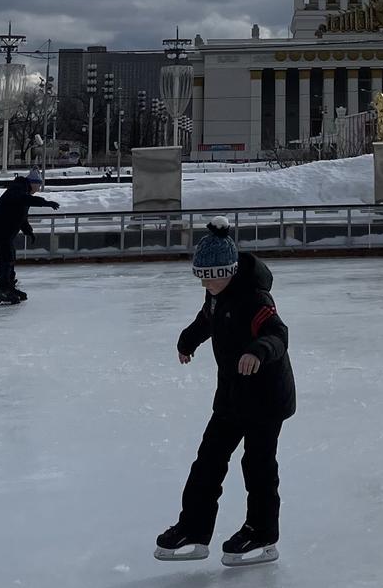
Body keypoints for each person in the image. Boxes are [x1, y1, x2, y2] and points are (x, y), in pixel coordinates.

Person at [156, 217, 295, 568]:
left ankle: (261, 533)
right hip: (232, 395)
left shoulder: (254, 297)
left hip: (265, 398)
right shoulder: (215, 293)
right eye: (200, 276)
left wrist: (257, 351)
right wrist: (188, 340)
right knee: (208, 461)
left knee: (258, 465)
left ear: (230, 270)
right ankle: (194, 529)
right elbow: (207, 320)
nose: (206, 282)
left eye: (212, 275)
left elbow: (278, 334)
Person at [0, 168, 59, 306]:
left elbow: (21, 216)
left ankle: (9, 287)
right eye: (38, 185)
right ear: (33, 183)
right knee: (7, 258)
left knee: (10, 256)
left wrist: (28, 231)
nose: (38, 189)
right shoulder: (18, 189)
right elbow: (22, 200)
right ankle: (3, 291)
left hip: (3, 230)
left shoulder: (22, 191)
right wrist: (45, 202)